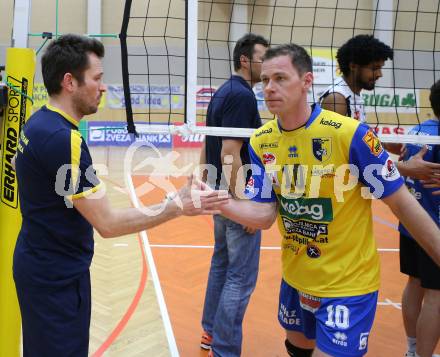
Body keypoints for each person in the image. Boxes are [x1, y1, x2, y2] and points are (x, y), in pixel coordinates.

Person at [219, 43, 440, 357]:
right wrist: (218, 202)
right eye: (265, 79)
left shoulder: (350, 134)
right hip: (296, 279)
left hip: (347, 285)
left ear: (306, 82)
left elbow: (402, 203)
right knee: (297, 348)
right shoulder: (261, 140)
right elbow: (264, 214)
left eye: (280, 78)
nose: (269, 87)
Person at [12, 34, 227, 357]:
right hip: (55, 278)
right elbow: (108, 224)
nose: (102, 87)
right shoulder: (64, 140)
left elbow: (20, 165)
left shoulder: (37, 122)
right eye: (97, 78)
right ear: (70, 82)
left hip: (38, 262)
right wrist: (176, 206)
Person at [199, 32, 269, 357]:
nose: (266, 64)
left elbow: (207, 142)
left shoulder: (223, 91)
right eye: (262, 58)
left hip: (218, 190)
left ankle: (210, 334)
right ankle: (224, 350)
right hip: (233, 194)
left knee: (221, 264)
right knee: (239, 276)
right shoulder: (241, 96)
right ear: (245, 60)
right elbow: (229, 151)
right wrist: (244, 205)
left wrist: (204, 181)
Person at [319, 34, 440, 180]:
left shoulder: (352, 95)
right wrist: (403, 168)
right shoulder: (336, 99)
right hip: (336, 186)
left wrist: (385, 145)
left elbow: (354, 140)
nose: (379, 74)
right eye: (374, 68)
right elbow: (333, 157)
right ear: (353, 66)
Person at [399, 80, 440, 357]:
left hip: (410, 222)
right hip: (434, 227)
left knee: (414, 283)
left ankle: (412, 350)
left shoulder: (419, 129)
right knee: (437, 296)